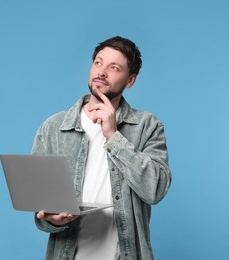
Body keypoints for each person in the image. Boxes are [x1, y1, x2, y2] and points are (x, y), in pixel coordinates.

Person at [31, 36, 171, 260]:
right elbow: (39, 207)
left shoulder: (147, 126)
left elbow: (155, 190)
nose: (102, 72)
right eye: (98, 62)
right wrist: (49, 219)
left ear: (130, 80)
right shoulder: (53, 128)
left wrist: (113, 136)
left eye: (114, 67)